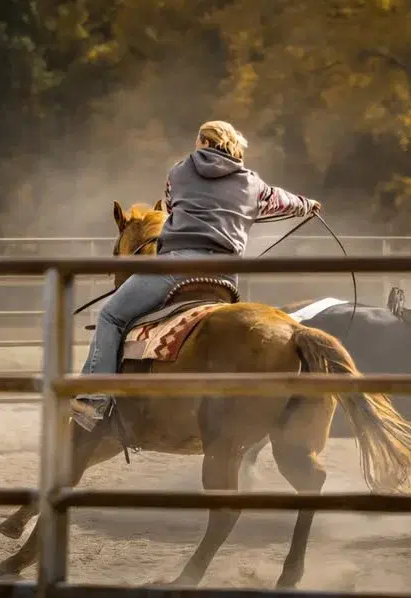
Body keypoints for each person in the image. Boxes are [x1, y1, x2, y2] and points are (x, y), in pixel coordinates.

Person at [70, 120, 322, 433]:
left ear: (203, 142)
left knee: (111, 317)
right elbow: (283, 202)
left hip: (175, 268)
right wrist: (308, 205)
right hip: (225, 279)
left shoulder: (178, 172)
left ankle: (93, 400)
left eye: (197, 140)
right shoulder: (253, 184)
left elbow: (171, 206)